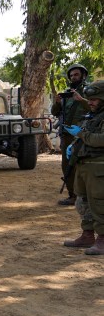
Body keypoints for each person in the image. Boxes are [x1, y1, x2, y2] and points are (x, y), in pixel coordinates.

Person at [61, 80, 104, 254]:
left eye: (94, 99)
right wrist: (75, 146)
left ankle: (102, 239)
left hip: (99, 167)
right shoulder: (93, 115)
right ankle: (87, 235)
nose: (90, 102)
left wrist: (80, 134)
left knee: (99, 204)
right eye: (89, 99)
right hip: (84, 165)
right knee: (82, 202)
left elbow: (100, 139)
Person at [51, 63, 90, 205]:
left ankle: (85, 195)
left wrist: (81, 99)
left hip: (83, 134)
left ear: (83, 75)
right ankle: (72, 194)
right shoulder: (67, 93)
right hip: (67, 135)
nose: (74, 77)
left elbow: (96, 107)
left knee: (84, 164)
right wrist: (57, 103)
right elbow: (55, 112)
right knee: (67, 165)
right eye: (71, 75)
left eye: (76, 74)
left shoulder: (89, 91)